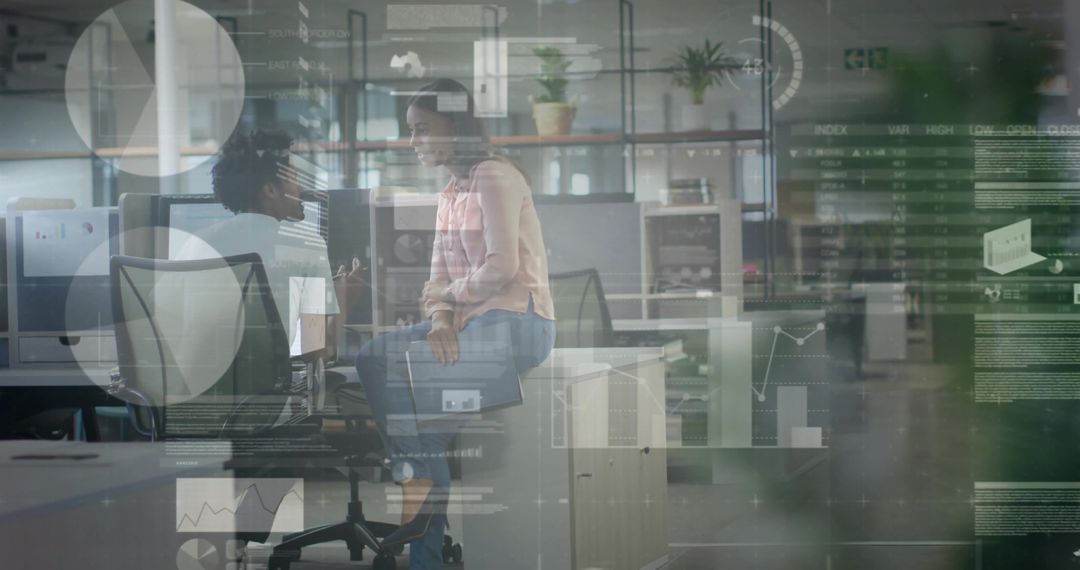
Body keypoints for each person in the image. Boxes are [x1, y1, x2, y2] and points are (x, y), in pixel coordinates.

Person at [355, 78, 556, 567]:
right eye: (411, 131)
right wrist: (441, 318)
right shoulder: (448, 194)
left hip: (517, 324)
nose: (413, 142)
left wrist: (450, 299)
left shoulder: (494, 175)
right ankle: (422, 527)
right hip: (468, 328)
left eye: (422, 130)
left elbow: (502, 265)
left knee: (415, 424)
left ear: (455, 125)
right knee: (373, 357)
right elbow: (434, 281)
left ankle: (411, 481)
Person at [176, 130, 362, 362]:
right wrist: (344, 298)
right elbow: (315, 352)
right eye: (294, 178)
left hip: (194, 389)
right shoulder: (307, 246)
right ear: (270, 190)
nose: (301, 189)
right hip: (263, 390)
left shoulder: (196, 243)